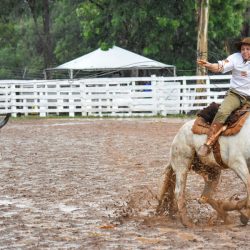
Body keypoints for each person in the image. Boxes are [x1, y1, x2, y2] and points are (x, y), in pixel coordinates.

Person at [197, 37, 250, 157]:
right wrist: (209, 65)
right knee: (222, 111)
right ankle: (208, 143)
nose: (245, 52)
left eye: (248, 49)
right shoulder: (235, 58)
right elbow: (219, 67)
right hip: (236, 94)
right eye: (243, 49)